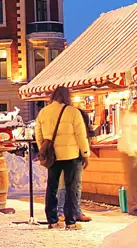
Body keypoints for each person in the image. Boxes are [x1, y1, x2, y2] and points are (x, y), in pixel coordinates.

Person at [36, 86, 90, 230]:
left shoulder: (43, 112)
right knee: (71, 188)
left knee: (52, 187)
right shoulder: (73, 112)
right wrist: (85, 153)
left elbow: (38, 134)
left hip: (53, 156)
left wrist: (44, 148)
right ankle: (70, 222)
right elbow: (80, 135)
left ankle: (52, 220)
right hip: (71, 155)